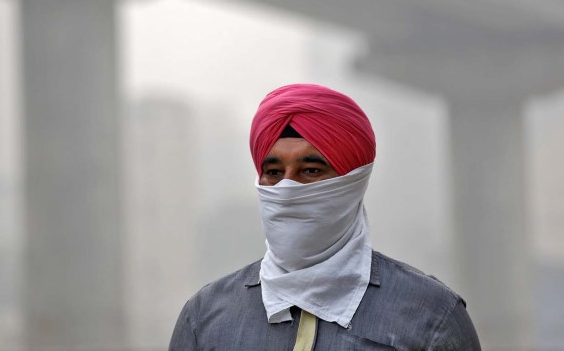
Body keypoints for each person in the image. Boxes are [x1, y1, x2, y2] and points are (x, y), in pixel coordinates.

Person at [169, 84, 481, 350]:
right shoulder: (206, 317)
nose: (288, 187)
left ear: (352, 182)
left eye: (311, 171)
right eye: (274, 172)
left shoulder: (430, 316)